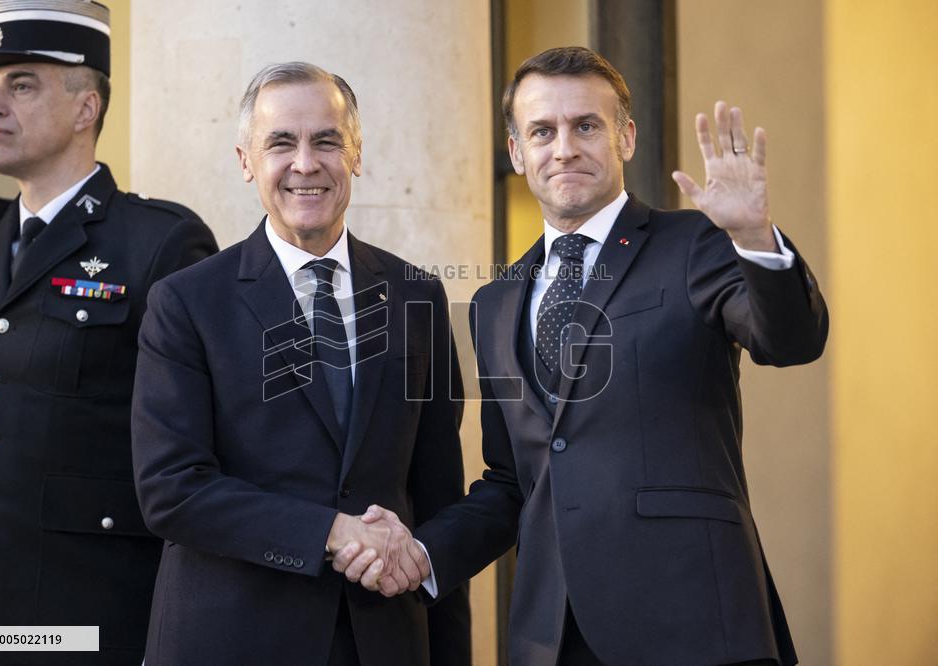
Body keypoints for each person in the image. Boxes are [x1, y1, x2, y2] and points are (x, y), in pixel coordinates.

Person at [338, 46, 829, 665]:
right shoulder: (495, 302)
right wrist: (425, 554)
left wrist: (755, 239)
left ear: (625, 138)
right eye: (542, 131)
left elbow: (790, 341)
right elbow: (514, 481)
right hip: (554, 635)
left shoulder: (695, 245)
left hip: (695, 622)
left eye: (586, 126)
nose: (564, 147)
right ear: (517, 152)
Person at [129, 61, 470, 666]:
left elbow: (437, 495)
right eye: (281, 143)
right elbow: (171, 490)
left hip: (384, 642)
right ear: (246, 161)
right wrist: (331, 533)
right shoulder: (186, 302)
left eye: (327, 141)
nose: (305, 164)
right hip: (232, 642)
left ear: (357, 153)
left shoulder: (416, 295)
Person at [0, 2, 217, 665]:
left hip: (86, 624)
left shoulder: (159, 244)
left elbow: (199, 452)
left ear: (86, 107)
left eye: (22, 83)